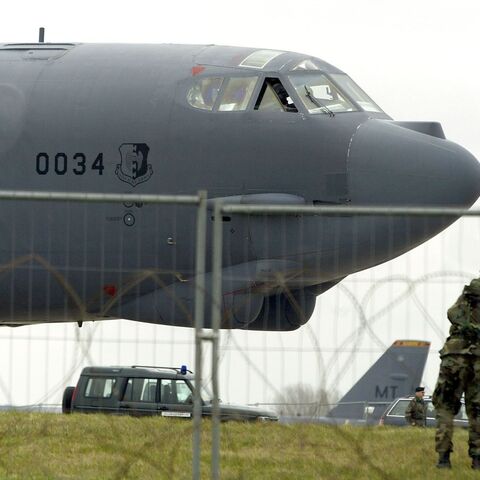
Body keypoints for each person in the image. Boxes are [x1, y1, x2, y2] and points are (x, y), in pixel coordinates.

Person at [432, 277, 480, 469]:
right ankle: (477, 460)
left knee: (445, 408)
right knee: (477, 410)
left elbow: (451, 313)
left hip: (453, 356)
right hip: (478, 358)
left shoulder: (462, 304)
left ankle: (443, 459)